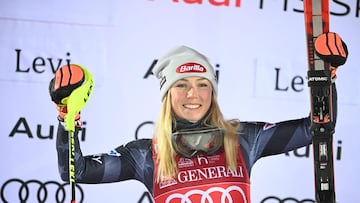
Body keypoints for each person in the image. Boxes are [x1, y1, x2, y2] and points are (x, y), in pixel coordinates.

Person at [49, 32, 348, 202]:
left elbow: (317, 128)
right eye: (182, 85)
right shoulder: (146, 155)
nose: (193, 94)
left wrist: (325, 79)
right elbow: (77, 171)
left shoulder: (242, 138)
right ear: (168, 95)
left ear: (213, 92)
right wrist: (68, 118)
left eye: (202, 84)